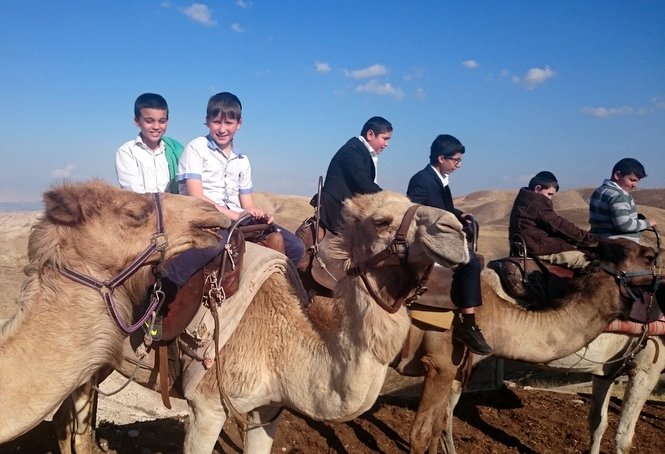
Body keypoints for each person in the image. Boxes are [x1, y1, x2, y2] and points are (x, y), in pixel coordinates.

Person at [177, 91, 304, 265]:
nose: (222, 129)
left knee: (296, 247)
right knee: (213, 246)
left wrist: (259, 214)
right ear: (207, 121)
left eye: (229, 123)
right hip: (205, 215)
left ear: (239, 123)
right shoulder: (196, 148)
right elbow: (196, 196)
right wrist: (235, 215)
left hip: (237, 218)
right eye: (216, 122)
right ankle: (169, 280)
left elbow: (247, 203)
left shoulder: (242, 160)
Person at [406, 134, 492, 355]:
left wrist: (460, 215)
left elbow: (443, 209)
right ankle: (468, 325)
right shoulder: (422, 180)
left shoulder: (439, 179)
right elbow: (414, 211)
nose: (458, 165)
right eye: (456, 160)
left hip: (440, 238)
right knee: (470, 263)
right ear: (441, 158)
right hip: (429, 242)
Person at [312, 116, 393, 234]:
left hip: (348, 213)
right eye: (385, 138)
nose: (387, 144)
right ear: (370, 134)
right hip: (338, 215)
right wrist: (390, 199)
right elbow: (363, 183)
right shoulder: (352, 151)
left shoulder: (361, 151)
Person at [509, 171, 597, 269]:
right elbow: (558, 225)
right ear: (538, 188)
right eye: (549, 194)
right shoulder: (537, 202)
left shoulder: (524, 198)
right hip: (538, 248)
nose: (550, 198)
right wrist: (589, 239)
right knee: (589, 262)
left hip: (524, 246)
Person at [115, 93, 183, 194]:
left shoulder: (176, 150)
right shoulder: (127, 151)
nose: (156, 127)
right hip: (141, 204)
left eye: (162, 121)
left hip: (173, 204)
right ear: (137, 121)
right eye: (149, 121)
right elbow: (133, 191)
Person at [589, 158, 657, 243]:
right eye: (632, 180)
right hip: (620, 245)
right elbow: (624, 225)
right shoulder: (619, 196)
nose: (635, 185)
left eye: (637, 181)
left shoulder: (598, 191)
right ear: (617, 175)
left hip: (599, 241)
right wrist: (647, 223)